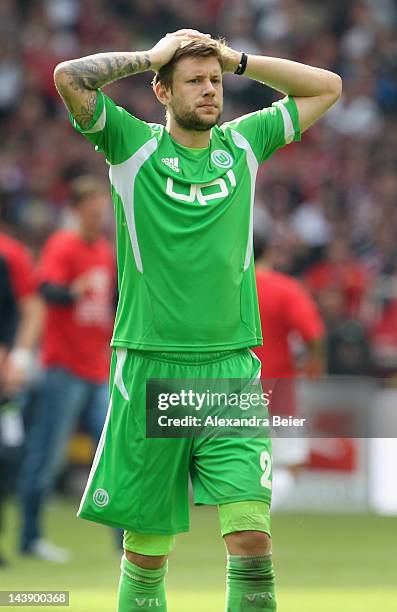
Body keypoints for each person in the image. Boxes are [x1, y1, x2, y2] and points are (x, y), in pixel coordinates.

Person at [53, 28, 342, 610]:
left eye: (214, 82)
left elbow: (327, 88)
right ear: (161, 91)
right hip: (149, 366)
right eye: (194, 81)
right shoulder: (130, 147)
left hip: (229, 367)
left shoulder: (244, 145)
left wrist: (237, 61)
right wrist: (150, 56)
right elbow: (69, 78)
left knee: (252, 539)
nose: (210, 91)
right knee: (146, 553)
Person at [18, 177, 116, 562]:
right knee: (47, 456)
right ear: (75, 212)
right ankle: (30, 538)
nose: (98, 219)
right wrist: (72, 291)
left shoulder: (104, 249)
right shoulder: (63, 245)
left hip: (97, 368)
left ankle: (124, 541)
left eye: (101, 213)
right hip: (64, 368)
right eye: (92, 213)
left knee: (112, 453)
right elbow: (44, 290)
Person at [253, 234, 325, 509]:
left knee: (234, 458)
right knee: (292, 462)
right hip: (278, 390)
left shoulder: (227, 288)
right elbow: (313, 333)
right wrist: (315, 363)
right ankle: (263, 510)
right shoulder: (286, 289)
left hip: (231, 387)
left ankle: (244, 510)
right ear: (268, 253)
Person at [0, 233, 42, 567]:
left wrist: (19, 358)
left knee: (9, 456)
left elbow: (31, 308)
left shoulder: (9, 254)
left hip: (4, 375)